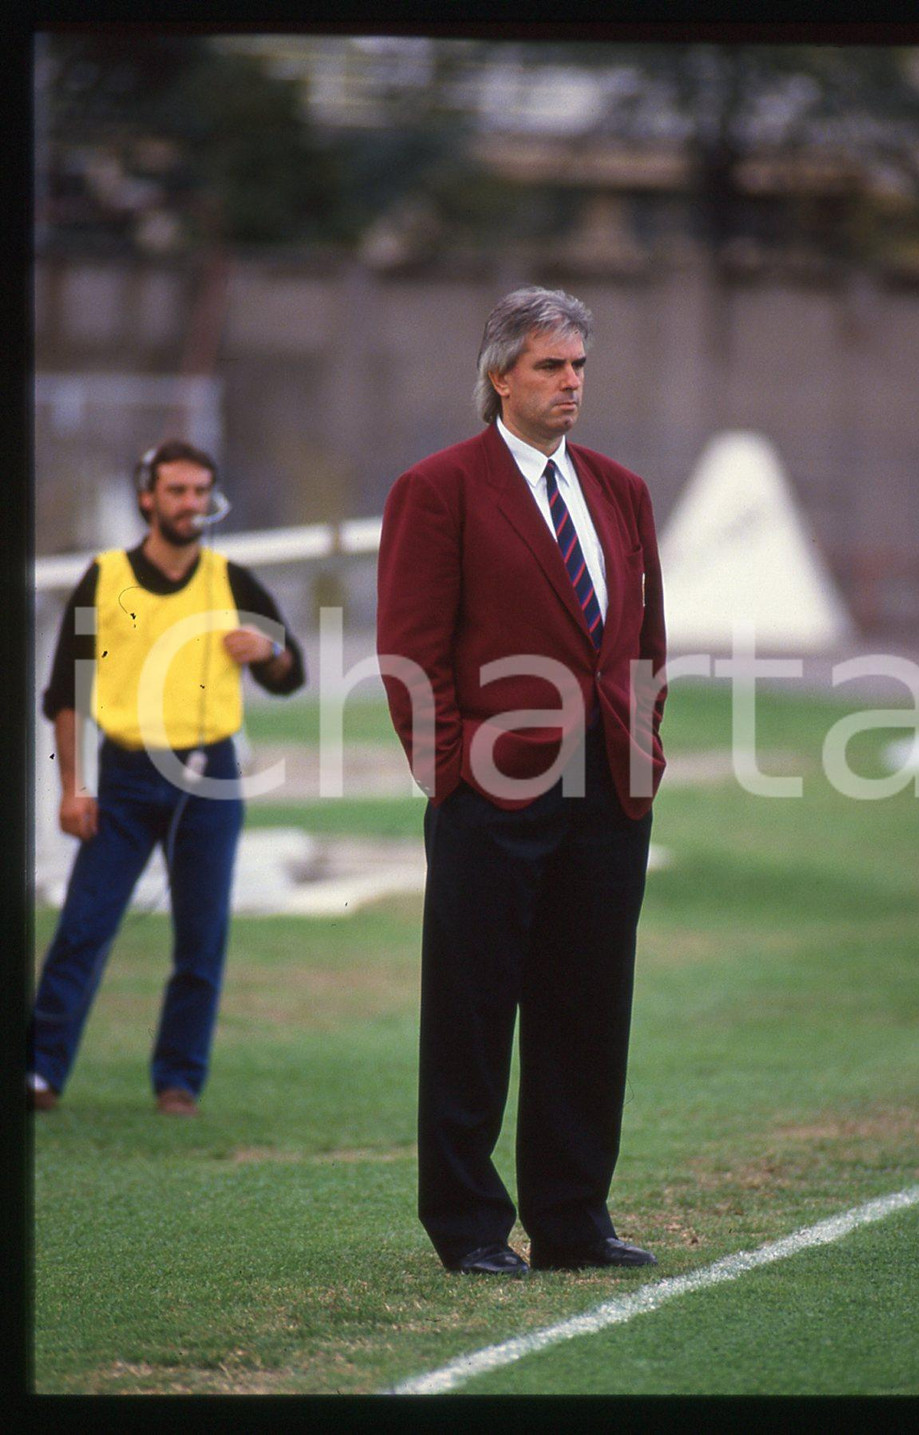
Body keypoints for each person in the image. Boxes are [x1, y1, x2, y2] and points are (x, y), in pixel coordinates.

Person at [377, 286, 667, 1275]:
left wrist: (645, 747)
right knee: (470, 1013)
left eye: (579, 366)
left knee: (588, 1011)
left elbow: (644, 642)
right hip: (488, 796)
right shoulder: (441, 487)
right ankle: (466, 1226)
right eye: (550, 366)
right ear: (500, 376)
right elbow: (408, 650)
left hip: (609, 795)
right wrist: (449, 772)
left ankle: (573, 1223)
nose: (570, 383)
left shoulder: (621, 490)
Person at [30, 439, 306, 1115]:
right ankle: (39, 1072)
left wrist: (266, 649)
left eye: (200, 491)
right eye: (176, 490)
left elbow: (289, 670)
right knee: (84, 927)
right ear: (147, 496)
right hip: (122, 779)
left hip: (209, 781)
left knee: (200, 937)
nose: (190, 503)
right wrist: (72, 788)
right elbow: (65, 692)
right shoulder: (104, 577)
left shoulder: (230, 578)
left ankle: (178, 1080)